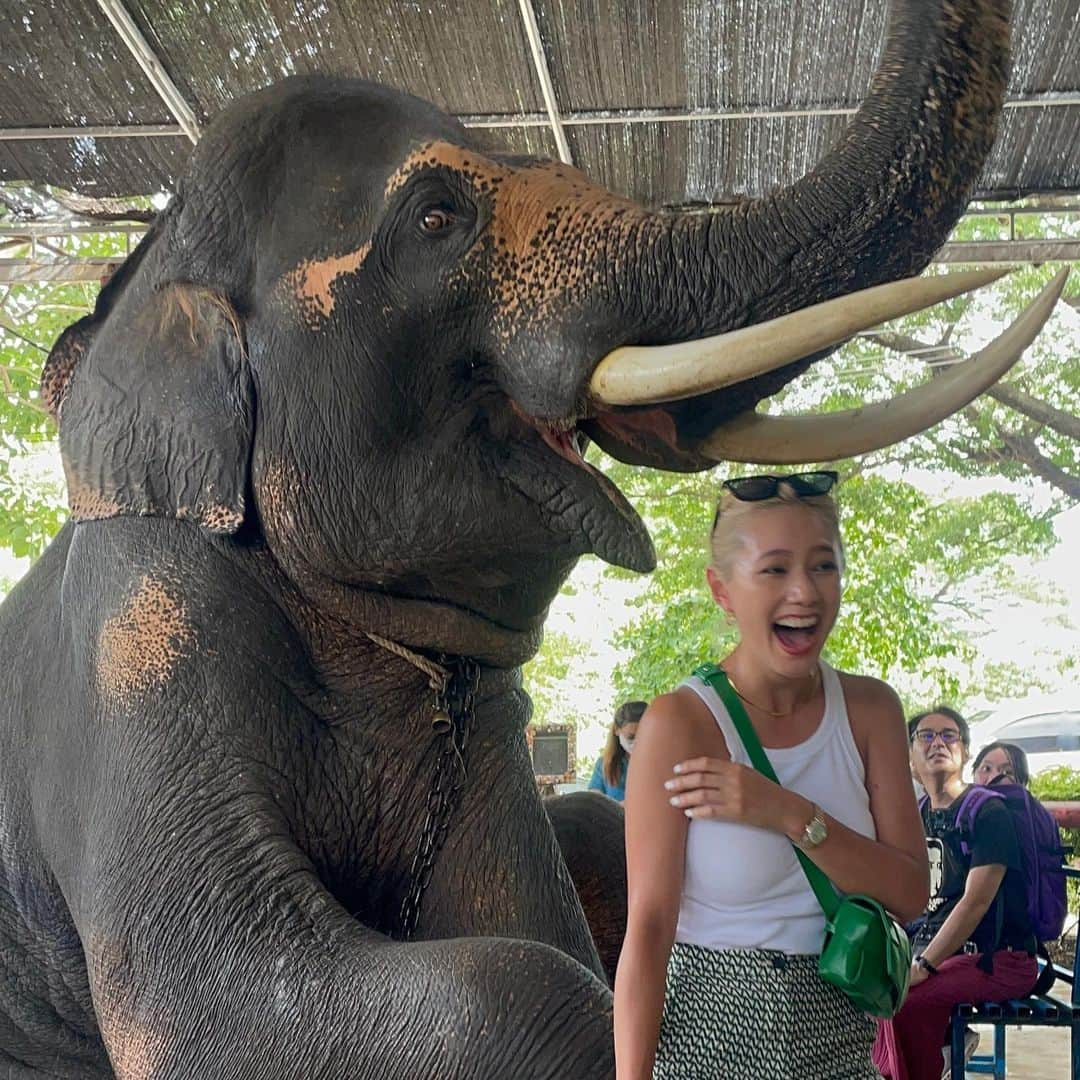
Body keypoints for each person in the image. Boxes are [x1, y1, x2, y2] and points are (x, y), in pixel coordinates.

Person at [614, 471, 929, 1080]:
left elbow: (910, 893)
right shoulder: (679, 723)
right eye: (775, 569)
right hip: (709, 1039)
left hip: (838, 1038)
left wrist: (786, 812)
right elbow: (649, 927)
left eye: (823, 566)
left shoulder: (871, 710)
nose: (805, 593)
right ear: (722, 589)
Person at [873, 709, 1038, 1080]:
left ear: (964, 752)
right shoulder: (916, 815)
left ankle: (931, 1059)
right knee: (867, 989)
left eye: (949, 735)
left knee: (904, 1001)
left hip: (998, 959)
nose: (938, 743)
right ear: (910, 759)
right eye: (926, 736)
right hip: (938, 952)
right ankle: (940, 1049)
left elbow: (975, 901)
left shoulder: (988, 812)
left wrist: (923, 965)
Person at [588, 701, 646, 801]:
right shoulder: (604, 764)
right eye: (631, 737)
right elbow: (593, 803)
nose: (637, 742)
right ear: (616, 730)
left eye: (643, 736)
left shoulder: (661, 763)